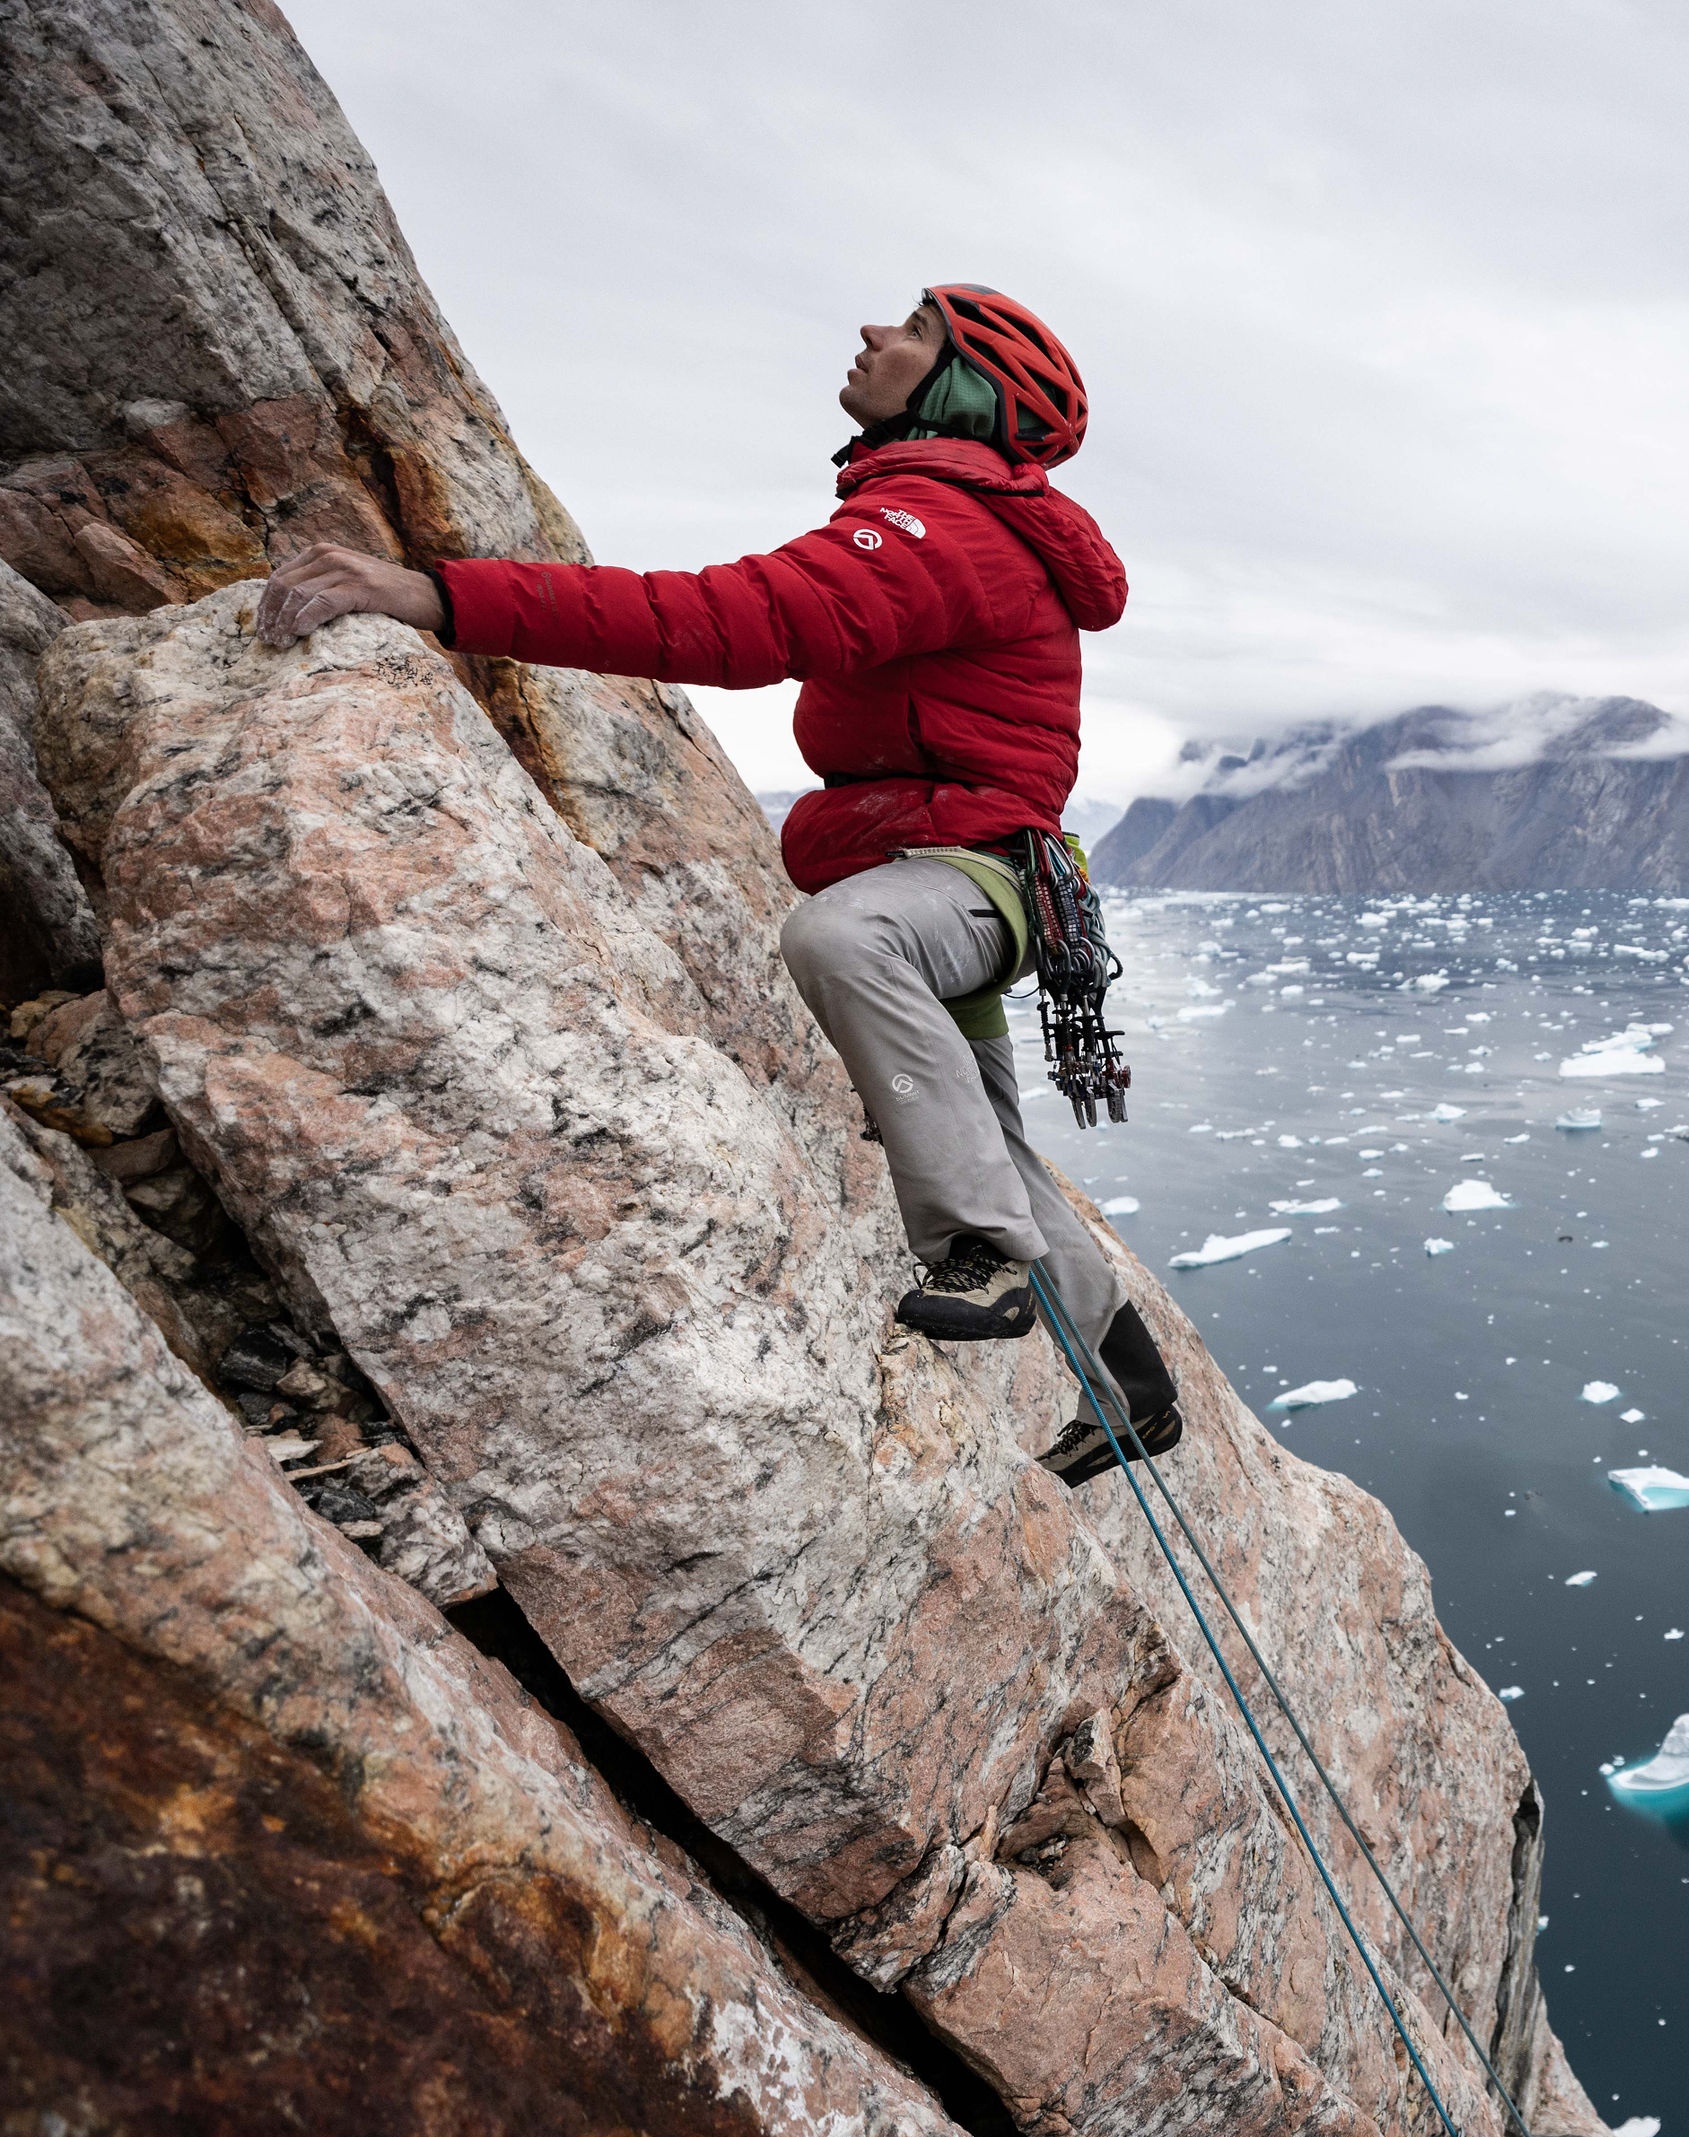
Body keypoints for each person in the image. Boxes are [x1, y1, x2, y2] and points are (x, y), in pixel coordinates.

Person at [255, 286, 1179, 1484]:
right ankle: (1133, 1393)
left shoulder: (942, 528)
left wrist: (439, 596)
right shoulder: (955, 519)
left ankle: (975, 1251)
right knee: (993, 1143)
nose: (871, 336)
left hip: (963, 882)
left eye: (911, 332)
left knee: (848, 943)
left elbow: (730, 622)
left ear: (962, 387)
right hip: (988, 877)